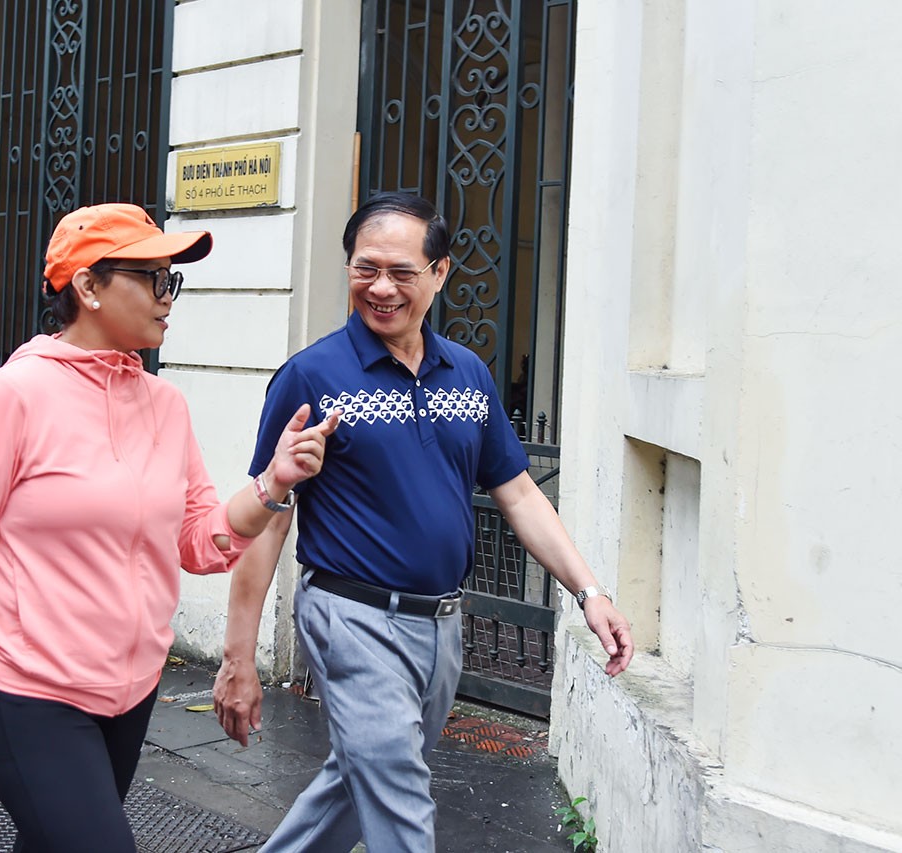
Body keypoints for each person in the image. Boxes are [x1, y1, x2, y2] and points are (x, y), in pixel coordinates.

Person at [0, 203, 339, 852]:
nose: (168, 297)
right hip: (31, 692)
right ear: (88, 286)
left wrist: (273, 483)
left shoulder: (165, 406)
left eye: (171, 280)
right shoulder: (10, 398)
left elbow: (197, 538)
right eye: (153, 278)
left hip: (129, 695)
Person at [213, 192, 634, 852]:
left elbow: (519, 493)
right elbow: (268, 520)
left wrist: (589, 591)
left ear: (440, 272)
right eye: (364, 268)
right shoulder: (311, 376)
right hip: (351, 617)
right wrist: (238, 658)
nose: (380, 287)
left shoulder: (466, 374)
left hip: (440, 626)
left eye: (402, 272)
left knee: (358, 782)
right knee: (400, 797)